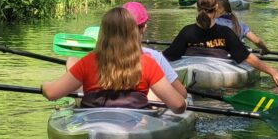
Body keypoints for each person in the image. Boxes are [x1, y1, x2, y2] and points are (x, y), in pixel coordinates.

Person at [41, 7, 186, 112]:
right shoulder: (147, 63)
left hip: (93, 123)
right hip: (133, 128)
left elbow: (51, 93)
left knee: (71, 61)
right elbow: (178, 105)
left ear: (103, 33)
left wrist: (44, 86)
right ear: (134, 33)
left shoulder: (89, 61)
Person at [163, 0, 278, 87]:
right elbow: (247, 57)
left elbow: (169, 55)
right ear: (216, 7)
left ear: (197, 8)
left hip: (189, 67)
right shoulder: (225, 32)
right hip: (220, 71)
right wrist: (273, 72)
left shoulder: (187, 31)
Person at [122, 0, 187, 100]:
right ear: (144, 27)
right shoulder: (154, 57)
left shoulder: (98, 59)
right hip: (145, 110)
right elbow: (182, 94)